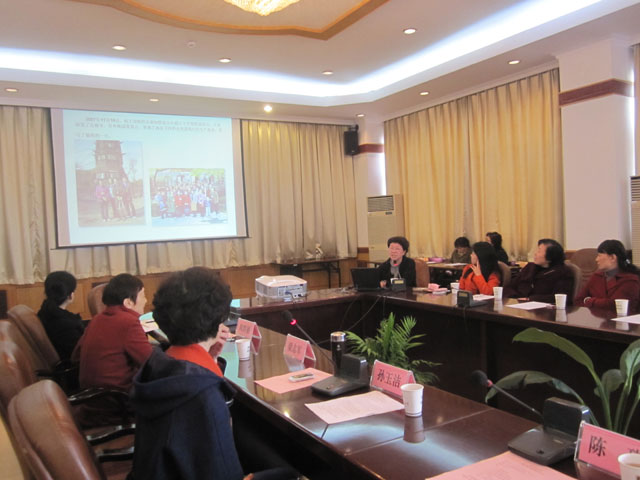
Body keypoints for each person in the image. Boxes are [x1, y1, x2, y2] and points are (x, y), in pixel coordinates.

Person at [129, 267, 299, 480]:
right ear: (218, 318)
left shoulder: (157, 364)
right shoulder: (203, 396)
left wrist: (210, 360)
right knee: (292, 469)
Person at [73, 273, 152, 426]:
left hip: (92, 400)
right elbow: (151, 363)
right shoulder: (128, 322)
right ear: (128, 302)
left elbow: (76, 356)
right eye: (143, 295)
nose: (146, 301)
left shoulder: (97, 319)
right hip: (117, 403)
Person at [575, 239, 640, 313]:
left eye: (599, 256)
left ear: (612, 258)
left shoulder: (630, 280)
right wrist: (600, 302)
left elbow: (613, 305)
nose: (596, 259)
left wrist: (589, 300)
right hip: (596, 318)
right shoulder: (596, 276)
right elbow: (578, 300)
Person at [504, 239, 574, 304]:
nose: (535, 253)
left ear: (550, 256)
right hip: (518, 305)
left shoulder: (563, 273)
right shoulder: (530, 268)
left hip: (543, 310)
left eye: (539, 251)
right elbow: (510, 287)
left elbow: (560, 297)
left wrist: (530, 299)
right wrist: (515, 298)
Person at [37, 271, 85, 361]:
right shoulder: (66, 325)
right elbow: (81, 352)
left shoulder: (44, 312)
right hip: (74, 365)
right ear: (70, 295)